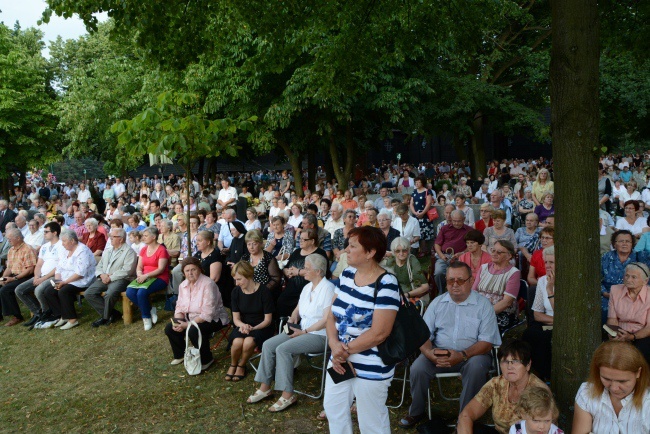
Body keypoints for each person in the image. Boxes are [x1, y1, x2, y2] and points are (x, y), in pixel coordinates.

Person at [400, 261, 502, 429]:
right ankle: (416, 411)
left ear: (471, 281)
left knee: (477, 367)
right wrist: (428, 353)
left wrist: (462, 355)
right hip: (438, 354)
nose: (455, 284)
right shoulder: (437, 303)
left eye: (460, 280)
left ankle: (465, 417)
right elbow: (423, 334)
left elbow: (487, 342)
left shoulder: (483, 305)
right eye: (450, 280)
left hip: (472, 356)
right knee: (417, 368)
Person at [324, 226, 400, 434]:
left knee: (371, 422)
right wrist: (333, 345)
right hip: (340, 360)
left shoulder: (387, 283)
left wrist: (344, 349)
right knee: (334, 409)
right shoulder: (347, 274)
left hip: (371, 363)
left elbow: (380, 333)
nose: (346, 250)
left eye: (352, 246)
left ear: (370, 252)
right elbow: (331, 314)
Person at [247, 254, 335, 412]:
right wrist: (294, 315)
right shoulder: (307, 287)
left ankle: (288, 395)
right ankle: (265, 387)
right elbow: (299, 307)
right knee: (268, 344)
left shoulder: (328, 289)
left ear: (318, 271)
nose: (303, 271)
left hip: (320, 335)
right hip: (302, 329)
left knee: (283, 349)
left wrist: (305, 331)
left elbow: (326, 320)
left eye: (306, 268)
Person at [457, 340, 548, 434]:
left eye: (515, 361)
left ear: (528, 365)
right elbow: (466, 414)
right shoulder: (496, 384)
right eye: (505, 361)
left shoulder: (539, 391)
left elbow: (542, 429)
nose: (509, 367)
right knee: (473, 428)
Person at [165, 257, 229, 371]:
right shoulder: (183, 285)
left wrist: (188, 325)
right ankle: (180, 355)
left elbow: (207, 314)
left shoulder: (208, 284)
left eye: (193, 269)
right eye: (187, 270)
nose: (190, 273)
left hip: (214, 319)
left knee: (194, 329)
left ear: (199, 269)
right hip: (191, 318)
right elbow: (179, 306)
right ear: (183, 273)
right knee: (170, 328)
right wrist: (178, 321)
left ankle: (207, 360)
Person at [572, 341, 650, 434]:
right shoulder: (587, 392)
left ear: (638, 373)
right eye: (606, 379)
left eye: (622, 381)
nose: (614, 388)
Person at [227, 260, 275, 382]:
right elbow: (236, 318)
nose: (236, 283)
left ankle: (241, 365)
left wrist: (253, 328)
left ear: (249, 276)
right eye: (235, 279)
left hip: (262, 326)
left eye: (239, 279)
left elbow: (268, 320)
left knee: (248, 342)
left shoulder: (264, 292)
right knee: (237, 342)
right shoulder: (235, 292)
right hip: (243, 324)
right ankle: (233, 364)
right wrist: (243, 326)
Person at [41, 230, 96, 330]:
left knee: (64, 291)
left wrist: (64, 282)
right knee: (49, 291)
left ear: (72, 241)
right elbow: (59, 267)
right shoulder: (65, 250)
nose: (62, 244)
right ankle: (63, 315)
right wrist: (58, 281)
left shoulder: (82, 250)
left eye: (64, 241)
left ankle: (72, 319)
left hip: (82, 280)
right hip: (66, 279)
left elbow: (80, 273)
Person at [85, 227, 137, 327]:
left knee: (109, 294)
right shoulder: (108, 250)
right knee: (89, 293)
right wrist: (101, 275)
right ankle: (113, 314)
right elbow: (99, 265)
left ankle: (105, 317)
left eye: (113, 237)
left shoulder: (129, 251)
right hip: (104, 278)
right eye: (110, 236)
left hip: (121, 279)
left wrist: (110, 277)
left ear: (121, 239)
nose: (110, 239)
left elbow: (127, 270)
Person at [125, 227, 170, 331]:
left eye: (146, 236)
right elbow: (139, 266)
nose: (143, 238)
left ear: (154, 237)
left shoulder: (162, 250)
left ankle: (146, 317)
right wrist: (139, 273)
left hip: (159, 277)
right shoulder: (144, 249)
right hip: (144, 277)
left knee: (141, 293)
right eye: (143, 236)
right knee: (130, 292)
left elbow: (161, 269)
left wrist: (146, 276)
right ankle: (150, 310)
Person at [601, 230, 650, 324]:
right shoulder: (606, 257)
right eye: (621, 241)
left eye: (627, 241)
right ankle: (609, 336)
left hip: (635, 294)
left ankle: (636, 335)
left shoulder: (641, 256)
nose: (624, 244)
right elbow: (596, 280)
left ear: (632, 244)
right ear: (614, 244)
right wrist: (604, 293)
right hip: (609, 295)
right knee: (603, 309)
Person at [522, 246, 555, 381]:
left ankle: (546, 377)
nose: (547, 265)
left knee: (544, 339)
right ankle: (529, 373)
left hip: (564, 324)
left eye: (551, 262)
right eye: (545, 262)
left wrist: (550, 290)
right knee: (529, 334)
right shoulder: (542, 280)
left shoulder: (568, 282)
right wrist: (558, 320)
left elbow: (563, 312)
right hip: (548, 320)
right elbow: (537, 314)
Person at [606, 262, 650, 364]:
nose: (628, 279)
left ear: (645, 281)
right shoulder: (615, 290)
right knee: (612, 354)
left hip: (642, 335)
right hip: (620, 332)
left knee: (643, 354)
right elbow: (612, 319)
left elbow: (649, 327)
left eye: (634, 277)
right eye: (627, 275)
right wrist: (614, 334)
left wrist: (632, 337)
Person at [278, 228, 328, 317]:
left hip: (309, 290)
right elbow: (286, 267)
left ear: (312, 241)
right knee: (281, 302)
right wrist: (287, 271)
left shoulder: (320, 253)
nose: (300, 241)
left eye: (303, 239)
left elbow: (320, 272)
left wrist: (298, 272)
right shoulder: (297, 252)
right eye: (299, 239)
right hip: (292, 288)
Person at [473, 240, 521, 332]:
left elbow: (506, 302)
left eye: (499, 252)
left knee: (477, 327)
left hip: (501, 312)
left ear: (509, 256)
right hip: (479, 309)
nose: (494, 254)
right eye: (493, 250)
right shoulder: (484, 267)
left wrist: (484, 313)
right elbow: (473, 292)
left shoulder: (514, 273)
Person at [0, 229, 38, 326]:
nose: (8, 240)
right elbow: (9, 268)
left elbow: (29, 270)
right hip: (14, 275)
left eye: (10, 238)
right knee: (1, 285)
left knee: (5, 290)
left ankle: (17, 316)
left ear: (18, 238)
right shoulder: (11, 250)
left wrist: (13, 279)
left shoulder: (27, 249)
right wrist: (2, 279)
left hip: (26, 276)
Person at [433, 209, 472, 293]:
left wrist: (462, 253)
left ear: (464, 219)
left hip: (460, 257)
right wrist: (441, 256)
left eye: (459, 221)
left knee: (459, 275)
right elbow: (437, 244)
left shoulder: (469, 230)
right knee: (439, 272)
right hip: (445, 256)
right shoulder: (444, 228)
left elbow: (471, 246)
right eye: (454, 221)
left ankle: (459, 291)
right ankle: (441, 292)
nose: (456, 223)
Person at [385, 237, 430, 304]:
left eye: (404, 250)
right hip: (395, 294)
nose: (401, 253)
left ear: (409, 250)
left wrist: (406, 295)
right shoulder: (391, 260)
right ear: (393, 251)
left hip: (411, 296)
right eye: (397, 251)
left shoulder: (412, 261)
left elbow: (425, 287)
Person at [241, 229, 282, 300]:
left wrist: (261, 292)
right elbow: (240, 275)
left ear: (260, 243)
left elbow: (276, 278)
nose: (251, 247)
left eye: (254, 244)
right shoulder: (244, 258)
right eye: (249, 244)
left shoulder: (268, 257)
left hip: (266, 294)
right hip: (248, 292)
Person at [410, 176, 435, 257]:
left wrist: (422, 213)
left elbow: (428, 203)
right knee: (416, 232)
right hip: (415, 215)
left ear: (422, 182)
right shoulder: (414, 192)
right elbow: (411, 204)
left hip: (424, 215)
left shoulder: (427, 191)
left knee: (423, 233)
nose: (416, 184)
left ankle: (424, 250)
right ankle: (418, 250)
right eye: (415, 182)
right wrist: (414, 212)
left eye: (419, 182)